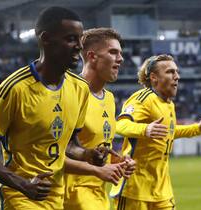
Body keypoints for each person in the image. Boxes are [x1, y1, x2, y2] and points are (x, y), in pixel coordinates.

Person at [0, 7, 109, 210]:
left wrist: (88, 155)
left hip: (55, 198)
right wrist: (23, 184)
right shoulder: (16, 88)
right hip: (19, 199)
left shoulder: (80, 88)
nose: (79, 46)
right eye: (71, 39)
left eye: (80, 39)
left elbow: (69, 145)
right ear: (46, 39)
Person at [112, 54, 201, 210]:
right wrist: (145, 129)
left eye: (176, 72)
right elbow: (120, 125)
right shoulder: (143, 98)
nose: (177, 77)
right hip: (135, 189)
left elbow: (168, 132)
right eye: (170, 72)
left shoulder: (169, 104)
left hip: (162, 189)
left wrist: (197, 129)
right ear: (154, 77)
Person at [63, 27, 136, 210]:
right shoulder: (69, 92)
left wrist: (118, 163)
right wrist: (97, 169)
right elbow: (55, 153)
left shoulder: (109, 99)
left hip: (98, 194)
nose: (120, 59)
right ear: (92, 56)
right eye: (113, 52)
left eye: (120, 53)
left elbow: (98, 148)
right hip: (72, 195)